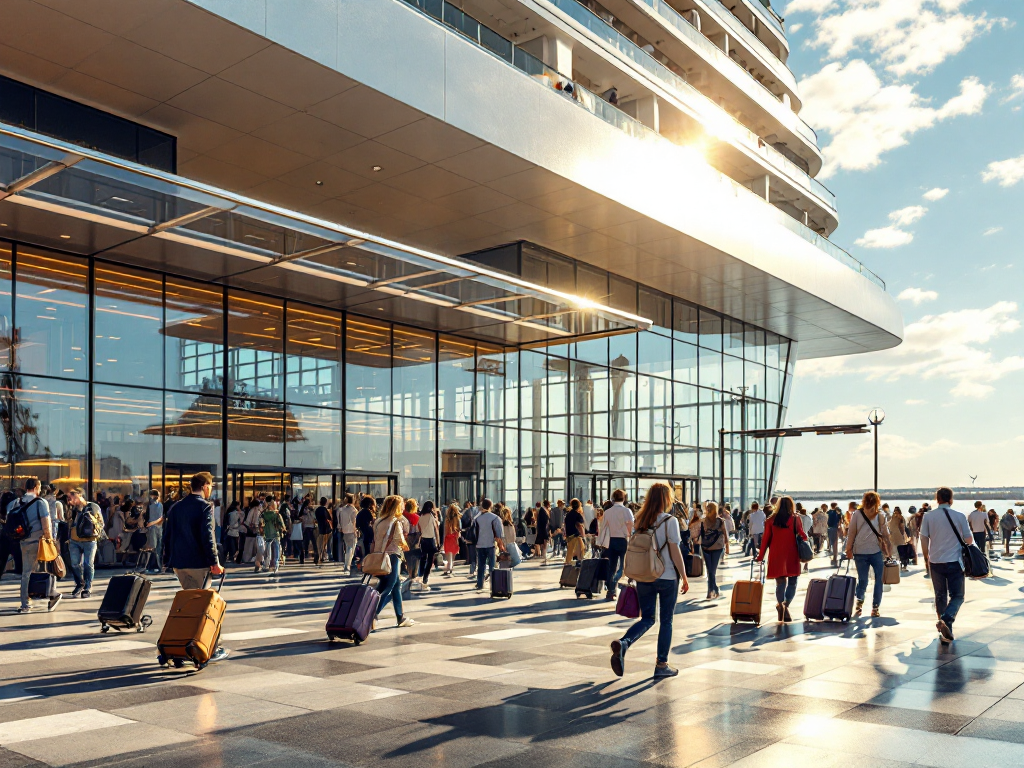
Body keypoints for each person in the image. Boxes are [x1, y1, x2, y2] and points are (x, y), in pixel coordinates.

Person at [610, 483, 688, 679]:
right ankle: (661, 664)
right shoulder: (670, 521)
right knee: (667, 620)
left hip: (644, 576)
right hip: (667, 576)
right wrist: (685, 577)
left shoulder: (641, 519)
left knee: (647, 618)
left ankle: (625, 642)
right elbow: (675, 551)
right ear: (667, 499)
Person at [161, 472, 228, 662]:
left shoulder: (176, 507)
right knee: (202, 608)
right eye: (211, 486)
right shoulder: (205, 507)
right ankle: (208, 646)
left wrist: (167, 559)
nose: (211, 490)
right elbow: (208, 536)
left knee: (189, 605)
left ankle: (182, 644)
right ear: (206, 486)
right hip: (198, 564)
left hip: (179, 564)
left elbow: (167, 536)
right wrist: (214, 562)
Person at [920, 487, 972, 643]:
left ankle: (944, 628)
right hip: (955, 561)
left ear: (937, 499)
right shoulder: (959, 516)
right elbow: (969, 540)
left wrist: (926, 557)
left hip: (935, 561)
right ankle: (946, 619)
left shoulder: (928, 516)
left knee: (940, 595)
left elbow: (923, 539)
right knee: (958, 596)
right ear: (951, 499)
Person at [10, 478, 62, 614]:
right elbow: (46, 522)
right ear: (36, 487)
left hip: (24, 541)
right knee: (51, 566)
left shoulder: (18, 502)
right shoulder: (41, 502)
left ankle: (25, 604)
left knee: (26, 572)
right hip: (40, 541)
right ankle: (53, 595)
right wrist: (50, 539)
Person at [757, 496, 808, 622]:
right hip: (792, 554)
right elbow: (803, 535)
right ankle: (785, 605)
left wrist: (760, 556)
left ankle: (780, 604)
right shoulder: (796, 519)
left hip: (776, 555)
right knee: (792, 582)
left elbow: (765, 540)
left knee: (780, 583)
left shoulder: (770, 520)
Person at [845, 492, 893, 618]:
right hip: (875, 552)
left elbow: (851, 533)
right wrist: (889, 551)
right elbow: (886, 535)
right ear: (878, 502)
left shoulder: (856, 514)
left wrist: (848, 549)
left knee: (863, 579)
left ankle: (859, 603)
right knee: (879, 580)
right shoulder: (880, 515)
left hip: (859, 552)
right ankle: (875, 608)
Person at [371, 495, 415, 629]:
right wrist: (406, 546)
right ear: (397, 507)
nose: (403, 508)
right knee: (389, 588)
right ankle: (372, 614)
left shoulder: (378, 521)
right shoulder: (396, 522)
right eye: (401, 505)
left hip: (379, 556)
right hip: (393, 557)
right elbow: (400, 540)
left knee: (395, 587)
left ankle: (400, 617)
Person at [602, 489, 634, 600]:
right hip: (623, 540)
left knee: (612, 566)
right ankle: (615, 582)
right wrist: (629, 535)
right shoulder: (627, 511)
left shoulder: (608, 512)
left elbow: (604, 528)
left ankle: (611, 590)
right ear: (624, 498)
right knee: (623, 566)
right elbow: (630, 526)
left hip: (611, 540)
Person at [471, 499, 505, 591]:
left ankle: (480, 583)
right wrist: (501, 545)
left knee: (481, 566)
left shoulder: (477, 518)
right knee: (492, 566)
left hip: (479, 544)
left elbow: (474, 532)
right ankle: (493, 584)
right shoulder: (495, 518)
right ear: (491, 506)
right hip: (491, 544)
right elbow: (499, 534)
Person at [700, 501, 729, 599]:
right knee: (710, 570)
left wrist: (727, 547)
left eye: (709, 508)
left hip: (715, 548)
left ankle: (711, 590)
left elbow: (725, 534)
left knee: (712, 570)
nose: (707, 510)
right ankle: (713, 589)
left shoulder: (720, 521)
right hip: (708, 548)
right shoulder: (703, 521)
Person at [418, 501, 439, 588]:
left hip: (423, 539)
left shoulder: (421, 516)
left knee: (423, 558)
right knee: (430, 559)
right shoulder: (431, 517)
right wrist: (438, 542)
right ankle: (425, 577)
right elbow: (436, 530)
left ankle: (420, 573)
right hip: (431, 539)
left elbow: (418, 529)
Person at [335, 494, 358, 572]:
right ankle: (347, 565)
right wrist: (356, 530)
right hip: (351, 530)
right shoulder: (353, 510)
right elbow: (354, 521)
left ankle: (347, 564)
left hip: (344, 530)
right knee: (351, 549)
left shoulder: (342, 510)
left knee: (347, 548)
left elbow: (339, 521)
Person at [143, 490, 164, 574]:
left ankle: (151, 565)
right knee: (157, 547)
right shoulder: (160, 505)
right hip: (158, 527)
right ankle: (157, 565)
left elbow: (147, 516)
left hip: (152, 527)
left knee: (153, 547)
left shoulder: (150, 505)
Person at [403, 498, 422, 585]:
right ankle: (414, 574)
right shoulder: (417, 517)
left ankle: (409, 573)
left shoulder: (403, 516)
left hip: (406, 538)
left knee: (408, 556)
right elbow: (420, 529)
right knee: (416, 557)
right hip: (415, 538)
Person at [563, 499, 587, 563]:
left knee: (569, 555)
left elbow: (565, 526)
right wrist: (584, 537)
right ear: (579, 505)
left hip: (569, 537)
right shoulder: (578, 515)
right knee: (580, 555)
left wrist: (565, 534)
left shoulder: (567, 515)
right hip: (577, 537)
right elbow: (580, 526)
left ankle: (567, 569)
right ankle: (579, 569)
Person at [442, 503, 461, 577]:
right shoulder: (458, 519)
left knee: (448, 555)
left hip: (448, 538)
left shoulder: (447, 519)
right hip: (454, 538)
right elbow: (459, 529)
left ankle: (449, 567)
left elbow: (445, 531)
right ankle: (450, 567)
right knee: (453, 555)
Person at [356, 497, 376, 567]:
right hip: (368, 534)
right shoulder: (367, 512)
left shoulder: (360, 513)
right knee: (368, 550)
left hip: (363, 534)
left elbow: (357, 524)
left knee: (365, 551)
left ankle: (364, 565)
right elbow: (373, 522)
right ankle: (368, 565)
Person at [314, 497, 333, 565]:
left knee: (320, 543)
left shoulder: (317, 510)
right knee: (325, 543)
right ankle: (323, 555)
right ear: (325, 503)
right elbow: (329, 518)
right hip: (326, 528)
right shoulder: (325, 510)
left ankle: (320, 555)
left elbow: (315, 518)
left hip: (320, 527)